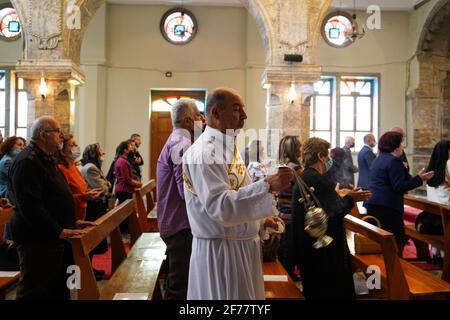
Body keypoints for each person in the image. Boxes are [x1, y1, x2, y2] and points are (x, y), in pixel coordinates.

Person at [182, 87, 293, 300]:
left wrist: (260, 221)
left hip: (239, 247)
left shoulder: (226, 146)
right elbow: (219, 206)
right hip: (222, 253)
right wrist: (267, 185)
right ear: (215, 113)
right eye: (236, 109)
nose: (244, 115)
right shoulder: (205, 152)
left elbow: (238, 191)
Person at [7, 116, 95, 300]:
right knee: (35, 289)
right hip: (36, 238)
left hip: (52, 235)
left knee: (55, 288)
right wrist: (58, 230)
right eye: (57, 132)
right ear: (43, 134)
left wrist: (71, 222)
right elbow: (30, 207)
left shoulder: (45, 158)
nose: (61, 136)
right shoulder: (28, 161)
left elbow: (54, 197)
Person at [291, 137, 372, 300]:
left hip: (309, 248)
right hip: (325, 255)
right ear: (320, 156)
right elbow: (335, 210)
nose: (329, 159)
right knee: (330, 292)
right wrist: (351, 199)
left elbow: (323, 205)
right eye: (326, 155)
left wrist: (341, 195)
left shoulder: (303, 177)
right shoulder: (317, 179)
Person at [156, 99, 202, 300]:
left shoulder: (177, 140)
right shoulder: (182, 143)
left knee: (181, 280)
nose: (203, 119)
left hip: (174, 222)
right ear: (189, 121)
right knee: (179, 286)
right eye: (199, 115)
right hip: (180, 225)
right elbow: (186, 191)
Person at [364, 131, 434, 251]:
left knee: (381, 241)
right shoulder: (393, 161)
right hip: (387, 207)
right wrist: (419, 179)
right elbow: (399, 186)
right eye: (401, 143)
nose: (402, 146)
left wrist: (412, 174)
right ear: (395, 146)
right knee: (394, 242)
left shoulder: (379, 159)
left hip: (374, 203)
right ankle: (393, 267)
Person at [80, 143, 111, 279]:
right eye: (100, 151)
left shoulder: (93, 167)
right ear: (94, 153)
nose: (103, 153)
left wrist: (106, 184)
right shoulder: (91, 168)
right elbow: (102, 187)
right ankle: (88, 271)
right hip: (94, 206)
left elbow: (107, 184)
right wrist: (105, 185)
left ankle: (90, 269)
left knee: (94, 240)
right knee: (91, 239)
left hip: (97, 204)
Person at [57, 134, 103, 221]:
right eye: (72, 145)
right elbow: (62, 198)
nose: (77, 147)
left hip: (81, 213)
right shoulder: (61, 169)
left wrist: (89, 192)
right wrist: (83, 196)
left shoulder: (73, 166)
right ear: (62, 151)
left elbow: (81, 188)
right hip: (70, 216)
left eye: (76, 144)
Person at [425, 139, 450, 263]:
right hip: (446, 210)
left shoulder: (431, 167)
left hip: (433, 213)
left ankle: (436, 255)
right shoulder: (447, 165)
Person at [0, 136, 26, 240]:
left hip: (11, 192)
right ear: (10, 146)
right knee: (9, 221)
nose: (22, 148)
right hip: (6, 193)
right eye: (19, 145)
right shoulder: (7, 161)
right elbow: (18, 177)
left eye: (23, 146)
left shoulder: (13, 159)